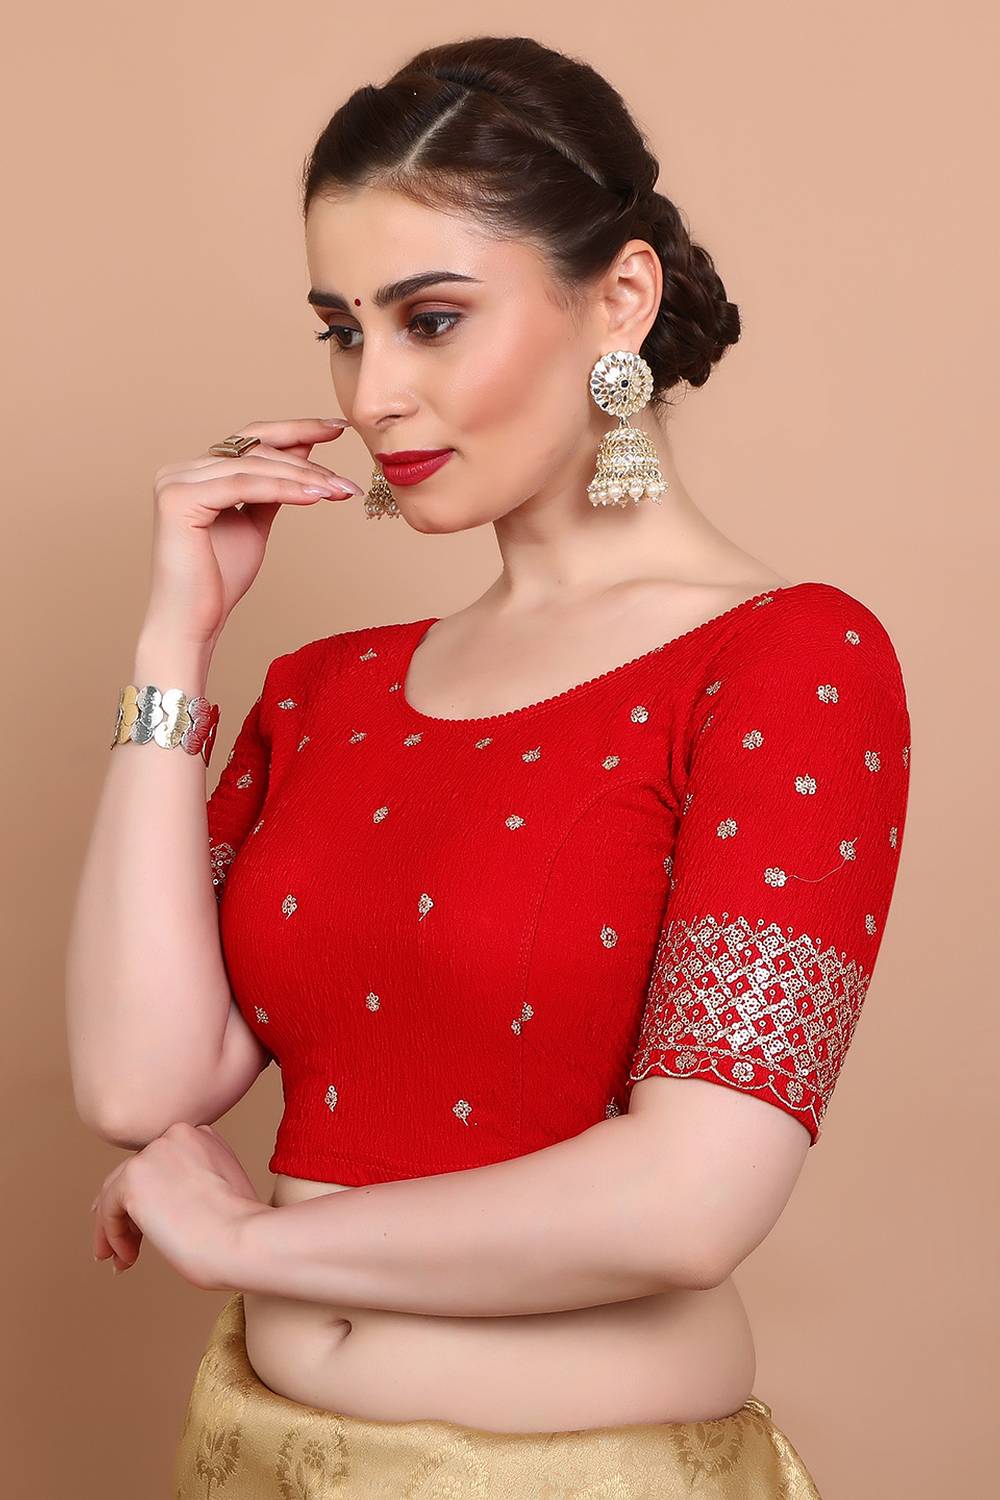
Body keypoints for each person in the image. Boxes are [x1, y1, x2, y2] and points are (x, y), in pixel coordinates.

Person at [67, 33, 911, 1499]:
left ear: (619, 300)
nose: (373, 392)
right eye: (343, 331)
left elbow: (689, 1202)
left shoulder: (790, 663)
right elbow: (142, 1085)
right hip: (249, 1457)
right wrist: (173, 648)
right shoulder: (324, 691)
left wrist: (252, 1243)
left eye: (433, 319)